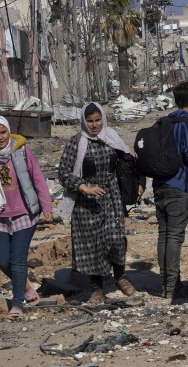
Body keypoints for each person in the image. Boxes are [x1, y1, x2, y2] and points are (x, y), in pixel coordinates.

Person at [58, 102, 140, 304]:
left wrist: (137, 183)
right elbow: (63, 173)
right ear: (84, 122)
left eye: (97, 120)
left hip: (111, 195)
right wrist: (83, 186)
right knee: (92, 244)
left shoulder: (111, 137)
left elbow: (128, 161)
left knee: (116, 237)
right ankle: (97, 288)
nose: (94, 125)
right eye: (90, 121)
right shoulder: (76, 142)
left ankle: (120, 277)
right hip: (86, 202)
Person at [0, 116, 53, 317]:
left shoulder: (22, 152)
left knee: (17, 260)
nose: (0, 137)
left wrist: (47, 206)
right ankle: (25, 286)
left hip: (24, 214)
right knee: (2, 260)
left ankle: (18, 304)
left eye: (3, 132)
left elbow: (38, 179)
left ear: (9, 132)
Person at [152, 81, 188, 299]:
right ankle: (171, 287)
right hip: (178, 185)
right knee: (174, 237)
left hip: (159, 185)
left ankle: (166, 284)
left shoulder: (164, 121)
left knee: (164, 234)